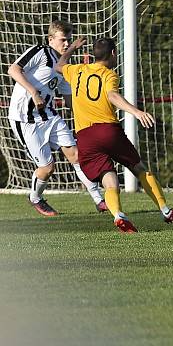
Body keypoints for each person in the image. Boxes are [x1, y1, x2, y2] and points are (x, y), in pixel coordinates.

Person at [55, 36, 173, 233]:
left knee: (108, 179)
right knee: (139, 168)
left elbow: (59, 65)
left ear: (92, 55)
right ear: (114, 54)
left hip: (85, 137)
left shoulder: (77, 71)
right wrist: (137, 112)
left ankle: (118, 215)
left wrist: (72, 47)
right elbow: (112, 95)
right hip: (108, 131)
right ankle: (166, 211)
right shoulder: (110, 75)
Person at [7, 20, 107, 216]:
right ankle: (35, 198)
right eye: (63, 40)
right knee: (47, 168)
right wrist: (33, 92)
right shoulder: (39, 52)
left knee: (76, 156)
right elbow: (13, 69)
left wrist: (88, 115)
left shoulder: (63, 66)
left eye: (69, 40)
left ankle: (100, 200)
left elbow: (69, 98)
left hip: (49, 116)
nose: (67, 44)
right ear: (50, 39)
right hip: (25, 118)